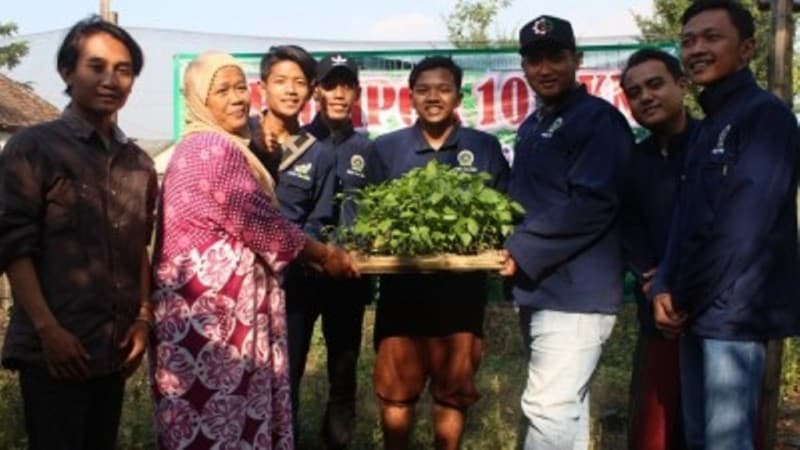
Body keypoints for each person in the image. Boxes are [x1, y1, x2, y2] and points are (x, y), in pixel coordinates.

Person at [149, 51, 358, 450]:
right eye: (222, 90)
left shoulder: (209, 146)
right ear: (198, 99)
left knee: (211, 419)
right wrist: (325, 256)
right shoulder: (215, 148)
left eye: (240, 87)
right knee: (221, 420)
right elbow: (263, 226)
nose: (237, 98)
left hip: (205, 315)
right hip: (213, 319)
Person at [647, 1, 800, 449]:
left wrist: (683, 295)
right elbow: (686, 221)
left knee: (726, 443)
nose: (696, 49)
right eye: (689, 39)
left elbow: (745, 228)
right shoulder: (710, 124)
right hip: (696, 313)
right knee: (701, 439)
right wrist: (664, 288)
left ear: (747, 47)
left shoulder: (765, 117)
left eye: (712, 37)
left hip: (734, 315)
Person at [0, 16, 156, 450]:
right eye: (96, 66)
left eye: (123, 70)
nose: (111, 79)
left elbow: (140, 247)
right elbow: (13, 247)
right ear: (67, 72)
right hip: (54, 353)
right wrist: (48, 329)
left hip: (113, 350)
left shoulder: (138, 163)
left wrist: (143, 320)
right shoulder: (33, 148)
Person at [499, 15, 633, 450]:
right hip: (542, 288)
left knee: (547, 408)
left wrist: (522, 247)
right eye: (534, 60)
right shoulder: (533, 126)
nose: (545, 68)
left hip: (576, 293)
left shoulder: (598, 120)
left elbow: (595, 202)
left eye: (556, 56)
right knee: (565, 409)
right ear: (524, 67)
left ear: (577, 59)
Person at [366, 56, 509, 450]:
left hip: (462, 296)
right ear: (410, 96)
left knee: (454, 391)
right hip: (401, 296)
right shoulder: (387, 149)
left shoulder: (483, 147)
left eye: (444, 89)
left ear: (458, 95)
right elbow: (368, 215)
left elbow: (503, 211)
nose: (434, 97)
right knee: (396, 391)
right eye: (424, 89)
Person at [286, 53, 373, 449]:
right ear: (316, 90)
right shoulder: (293, 144)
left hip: (348, 280)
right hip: (298, 277)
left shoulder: (370, 150)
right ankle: (283, 439)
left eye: (347, 85)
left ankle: (335, 443)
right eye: (330, 84)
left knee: (343, 372)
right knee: (287, 371)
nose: (339, 94)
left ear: (356, 91)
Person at [620, 48, 696, 450]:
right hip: (658, 312)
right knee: (657, 429)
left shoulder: (712, 145)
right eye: (634, 92)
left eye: (655, 84)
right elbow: (629, 228)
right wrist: (653, 281)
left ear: (682, 85)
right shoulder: (633, 160)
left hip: (715, 310)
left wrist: (679, 280)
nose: (645, 97)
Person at [249, 45, 317, 182]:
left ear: (310, 92)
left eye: (300, 82)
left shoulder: (317, 153)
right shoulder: (241, 136)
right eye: (280, 81)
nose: (290, 90)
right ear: (262, 88)